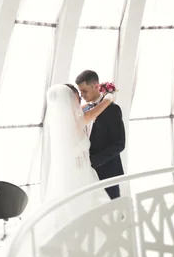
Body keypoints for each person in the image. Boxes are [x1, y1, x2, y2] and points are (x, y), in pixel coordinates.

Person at [40, 83, 114, 230]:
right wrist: (108, 99)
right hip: (80, 175)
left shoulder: (58, 123)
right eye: (75, 98)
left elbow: (78, 112)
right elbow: (91, 115)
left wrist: (91, 102)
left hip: (70, 173)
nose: (78, 101)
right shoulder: (75, 123)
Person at [75, 70, 126, 199]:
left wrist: (93, 161)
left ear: (96, 86)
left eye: (84, 91)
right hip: (87, 173)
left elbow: (119, 144)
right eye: (80, 91)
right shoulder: (84, 109)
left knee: (114, 210)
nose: (82, 95)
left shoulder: (113, 110)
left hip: (108, 172)